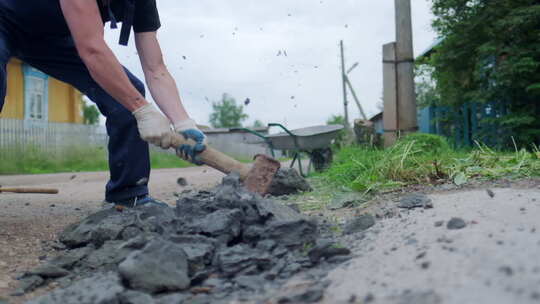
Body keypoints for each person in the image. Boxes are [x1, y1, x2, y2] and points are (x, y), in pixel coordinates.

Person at [0, 0, 206, 207]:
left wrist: (183, 123)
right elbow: (92, 50)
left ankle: (127, 196)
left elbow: (156, 69)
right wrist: (142, 109)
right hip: (4, 19)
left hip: (49, 38)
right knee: (133, 101)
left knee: (127, 92)